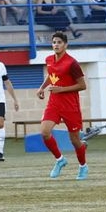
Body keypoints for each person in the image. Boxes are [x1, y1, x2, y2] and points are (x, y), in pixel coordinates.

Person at [36, 31, 89, 180]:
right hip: (54, 104)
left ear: (66, 45)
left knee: (74, 140)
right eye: (54, 42)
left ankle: (83, 166)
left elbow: (82, 85)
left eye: (59, 42)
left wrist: (62, 89)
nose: (56, 45)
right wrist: (42, 87)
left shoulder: (72, 63)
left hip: (70, 106)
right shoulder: (49, 60)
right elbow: (52, 75)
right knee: (45, 132)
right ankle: (60, 160)